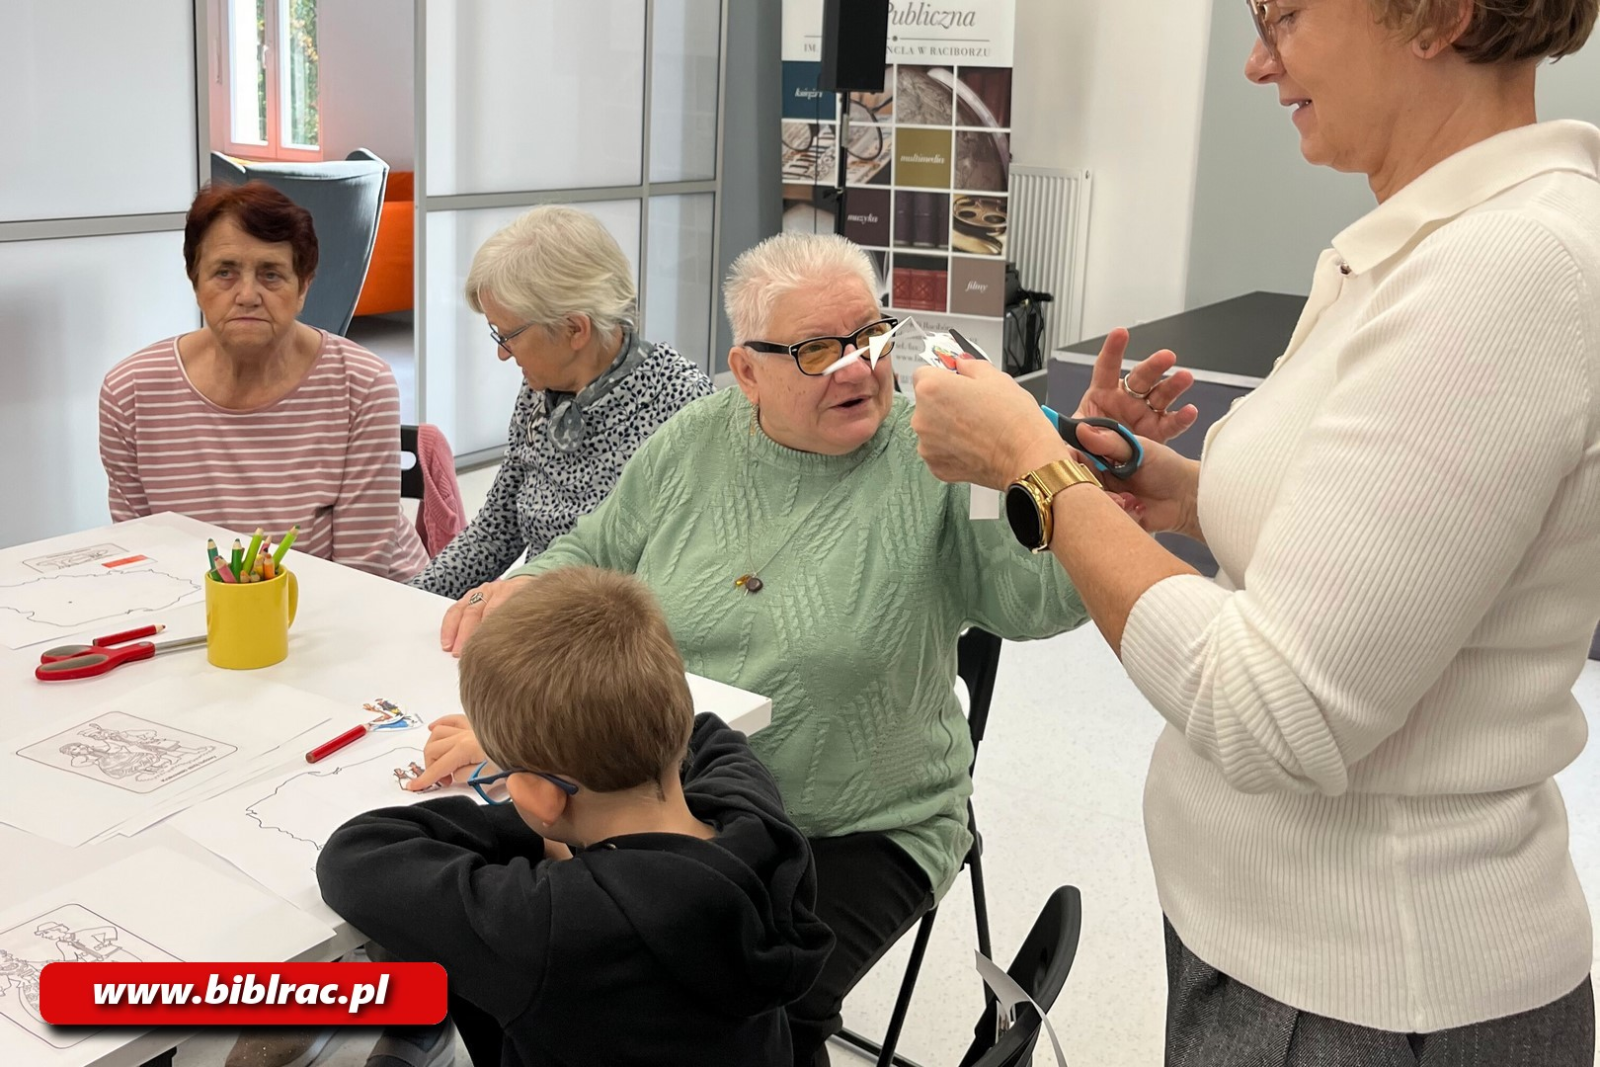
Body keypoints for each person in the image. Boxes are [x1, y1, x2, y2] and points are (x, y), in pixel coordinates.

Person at [908, 0, 1600, 1061]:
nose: (1253, 62)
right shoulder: (1430, 240)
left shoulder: (1506, 267)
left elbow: (1277, 709)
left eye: (1280, 18)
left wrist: (1036, 473)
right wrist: (1173, 489)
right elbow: (1375, 534)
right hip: (1280, 949)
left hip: (1367, 989)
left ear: (1434, 17)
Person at [411, 232, 1198, 1064]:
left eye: (870, 336)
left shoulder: (942, 449)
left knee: (746, 1011)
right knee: (522, 954)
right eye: (818, 350)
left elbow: (1030, 598)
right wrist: (530, 586)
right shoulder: (696, 440)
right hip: (676, 798)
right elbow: (596, 545)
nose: (857, 368)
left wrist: (1081, 481)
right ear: (746, 371)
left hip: (862, 820)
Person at [316, 567, 834, 1067]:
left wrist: (534, 803)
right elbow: (707, 732)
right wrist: (538, 756)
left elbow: (356, 856)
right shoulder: (755, 817)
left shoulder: (552, 923)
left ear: (540, 797)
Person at [99, 182, 426, 581]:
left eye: (271, 275)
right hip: (207, 613)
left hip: (363, 604)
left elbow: (362, 570)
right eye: (225, 273)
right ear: (195, 281)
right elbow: (143, 557)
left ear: (303, 286)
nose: (248, 295)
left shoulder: (361, 383)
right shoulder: (130, 393)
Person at [407, 206, 712, 600]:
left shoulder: (680, 404)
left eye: (508, 336)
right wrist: (410, 599)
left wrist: (514, 605)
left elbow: (663, 579)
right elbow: (496, 532)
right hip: (533, 608)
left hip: (608, 630)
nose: (503, 354)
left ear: (574, 329)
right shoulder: (540, 388)